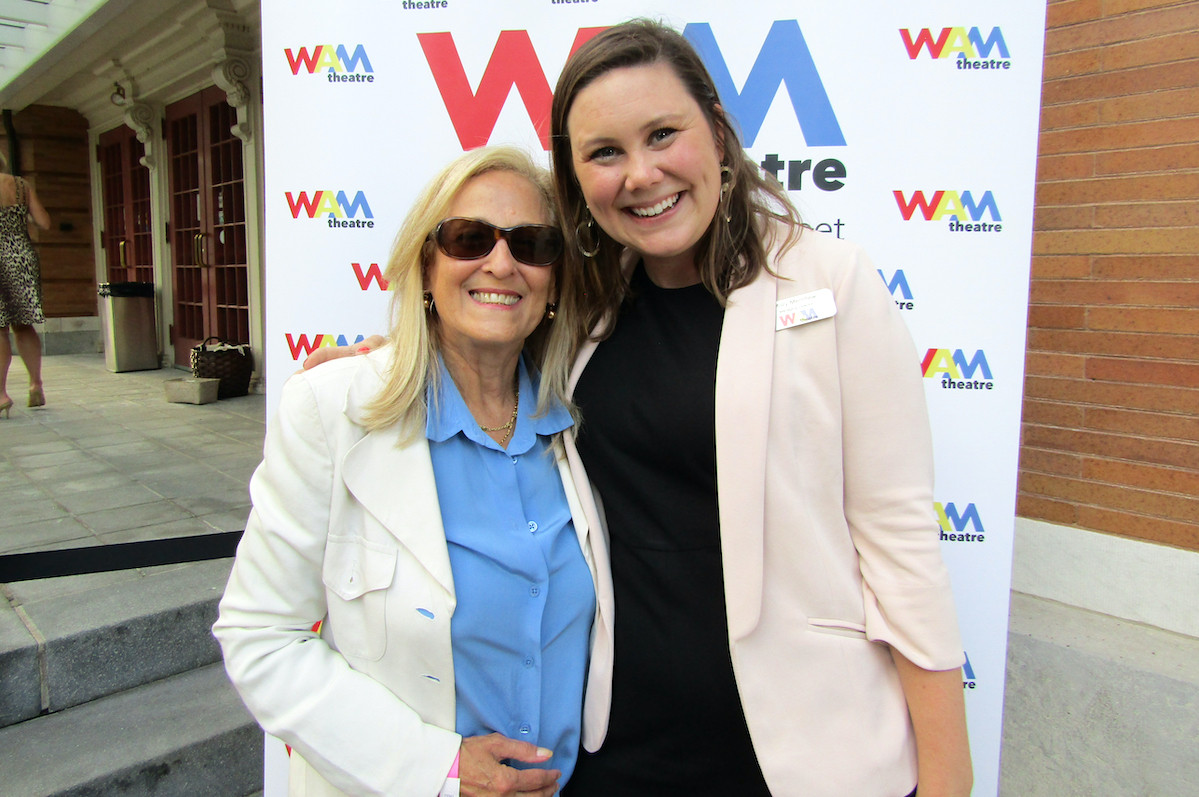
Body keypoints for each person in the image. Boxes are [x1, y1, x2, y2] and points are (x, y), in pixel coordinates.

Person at [309, 20, 972, 797]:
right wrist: (382, 363)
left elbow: (900, 548)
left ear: (717, 134)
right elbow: (479, 333)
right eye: (604, 153)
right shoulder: (585, 306)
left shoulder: (829, 283)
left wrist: (946, 780)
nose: (641, 173)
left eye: (663, 134)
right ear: (577, 180)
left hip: (800, 753)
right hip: (615, 748)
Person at [214, 146, 612, 797]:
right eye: (468, 238)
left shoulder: (581, 417)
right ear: (424, 266)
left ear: (554, 279)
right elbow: (260, 636)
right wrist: (437, 769)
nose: (500, 262)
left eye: (532, 244)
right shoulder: (335, 409)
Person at [0, 152, 52, 417]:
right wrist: (23, 218)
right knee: (23, 324)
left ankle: (1, 394)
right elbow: (44, 222)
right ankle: (35, 384)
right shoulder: (21, 186)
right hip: (21, 257)